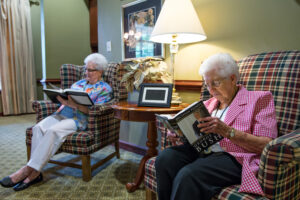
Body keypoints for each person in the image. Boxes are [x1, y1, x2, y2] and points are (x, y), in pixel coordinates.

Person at [155, 53, 278, 200]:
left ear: (232, 79)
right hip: (202, 152)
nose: (211, 90)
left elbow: (266, 145)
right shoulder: (207, 105)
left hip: (234, 158)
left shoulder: (259, 99)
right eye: (207, 84)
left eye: (216, 83)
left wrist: (226, 131)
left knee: (188, 175)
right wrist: (179, 133)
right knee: (164, 158)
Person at [0, 53, 112, 191]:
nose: (86, 73)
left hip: (78, 120)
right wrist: (61, 99)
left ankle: (26, 171)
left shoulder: (105, 89)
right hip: (61, 113)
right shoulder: (78, 83)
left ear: (100, 71)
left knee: (53, 131)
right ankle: (35, 173)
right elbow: (67, 99)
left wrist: (74, 105)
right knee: (38, 128)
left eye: (90, 70)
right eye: (86, 69)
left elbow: (95, 111)